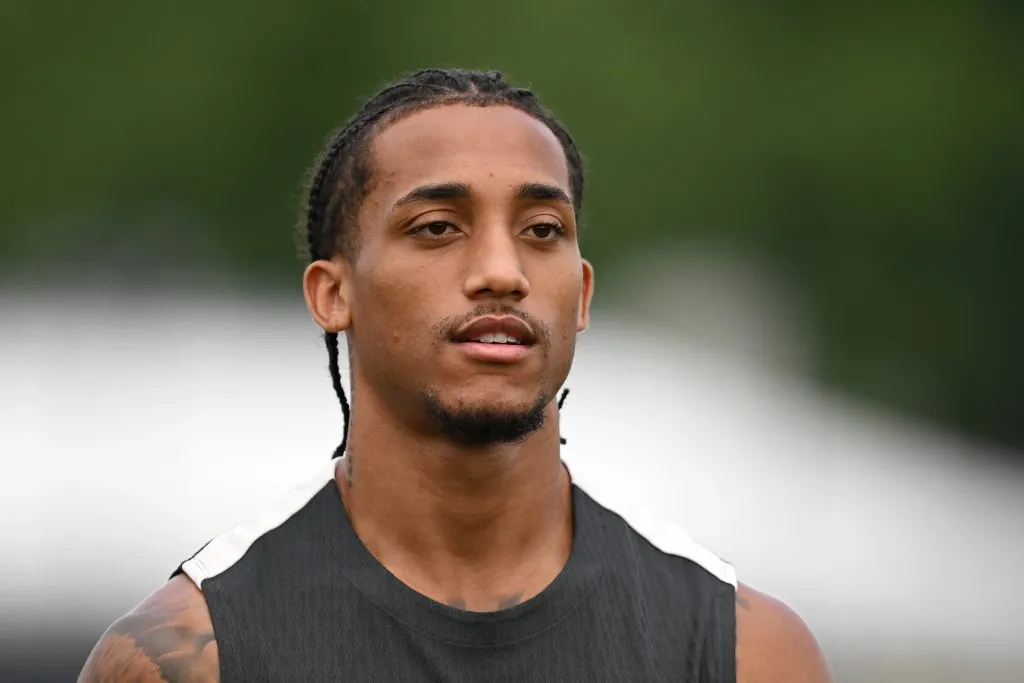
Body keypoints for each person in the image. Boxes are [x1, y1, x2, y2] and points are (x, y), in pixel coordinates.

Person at [78, 68, 831, 682]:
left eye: (542, 230)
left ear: (582, 296)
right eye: (437, 227)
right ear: (332, 294)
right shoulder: (190, 654)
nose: (502, 271)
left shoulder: (743, 652)